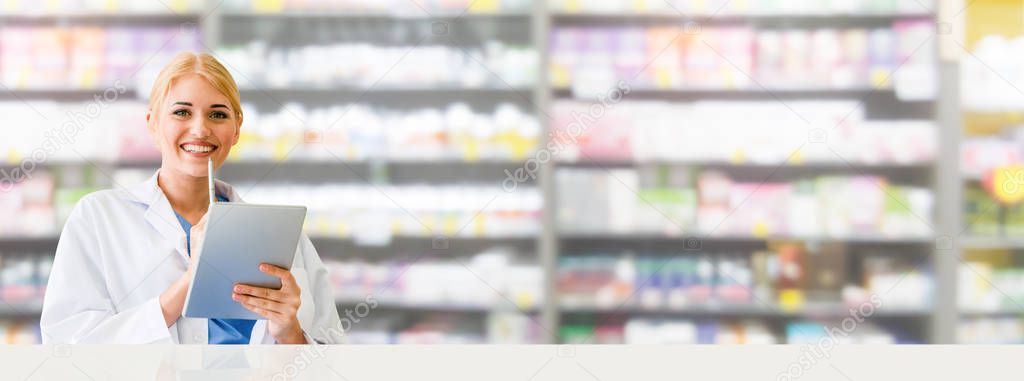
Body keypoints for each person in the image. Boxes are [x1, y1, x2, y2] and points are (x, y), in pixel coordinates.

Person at [40, 52, 344, 344]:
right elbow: (67, 344)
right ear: (153, 123)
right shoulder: (98, 218)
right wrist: (190, 281)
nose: (200, 129)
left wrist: (290, 332)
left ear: (237, 129)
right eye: (182, 112)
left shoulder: (282, 237)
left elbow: (332, 358)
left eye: (218, 114)